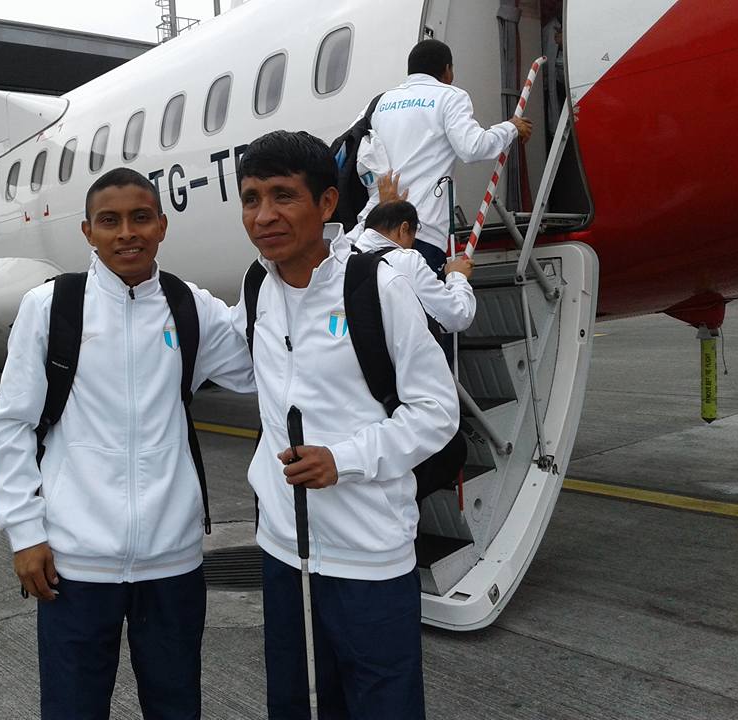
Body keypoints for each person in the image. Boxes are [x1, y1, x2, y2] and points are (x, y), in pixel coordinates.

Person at [0, 167, 253, 720]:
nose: (126, 232)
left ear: (162, 225)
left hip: (172, 562)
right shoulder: (51, 308)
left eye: (140, 218)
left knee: (176, 704)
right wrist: (24, 531)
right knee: (73, 708)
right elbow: (10, 423)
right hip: (74, 565)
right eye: (110, 221)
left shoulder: (189, 306)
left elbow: (259, 364)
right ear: (87, 232)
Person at [233, 130, 459, 719]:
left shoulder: (375, 286)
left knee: (384, 706)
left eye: (283, 196)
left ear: (327, 205)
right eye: (251, 198)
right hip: (284, 553)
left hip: (370, 558)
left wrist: (344, 459)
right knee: (296, 704)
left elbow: (436, 411)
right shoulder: (256, 287)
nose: (264, 215)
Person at [355, 39, 533, 276]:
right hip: (421, 230)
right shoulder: (450, 96)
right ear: (447, 69)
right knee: (422, 309)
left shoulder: (378, 103)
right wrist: (510, 128)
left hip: (377, 230)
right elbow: (473, 148)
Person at [356, 198, 476, 337]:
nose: (411, 244)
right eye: (413, 237)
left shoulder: (345, 256)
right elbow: (457, 315)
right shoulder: (406, 260)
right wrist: (457, 276)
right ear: (404, 228)